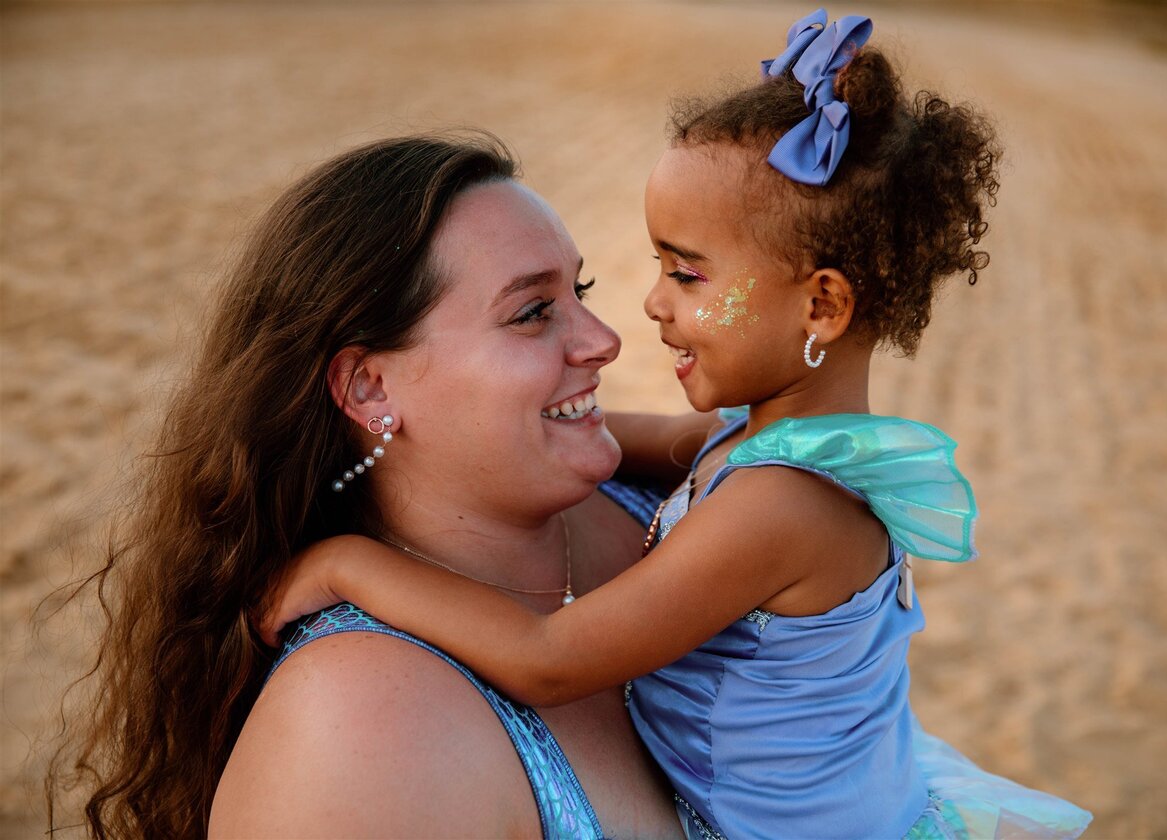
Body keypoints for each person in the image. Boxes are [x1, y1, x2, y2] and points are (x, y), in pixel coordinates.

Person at [261, 11, 1093, 839]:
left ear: (821, 305)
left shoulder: (780, 506)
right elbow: (636, 440)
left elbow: (547, 660)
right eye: (534, 313)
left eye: (688, 274)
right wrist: (520, 422)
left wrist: (347, 566)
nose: (647, 310)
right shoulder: (758, 446)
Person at [48, 134, 694, 839]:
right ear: (369, 387)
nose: (604, 339)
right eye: (532, 312)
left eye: (581, 290)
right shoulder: (354, 725)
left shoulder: (676, 501)